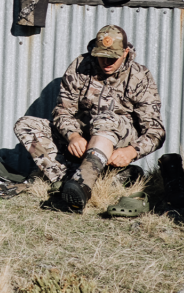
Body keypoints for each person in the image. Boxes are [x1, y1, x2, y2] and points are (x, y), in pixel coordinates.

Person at [14, 25, 165, 211]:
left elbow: (156, 131)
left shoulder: (140, 76)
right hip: (82, 140)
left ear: (126, 52)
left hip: (117, 140)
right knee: (25, 125)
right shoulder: (80, 67)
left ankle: (83, 183)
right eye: (102, 55)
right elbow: (62, 111)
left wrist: (132, 152)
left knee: (104, 118)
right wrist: (73, 135)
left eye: (113, 57)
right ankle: (72, 180)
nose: (106, 62)